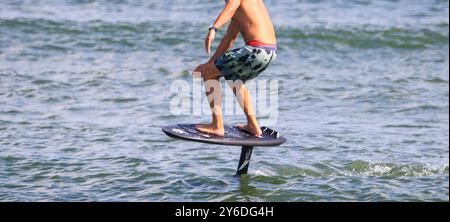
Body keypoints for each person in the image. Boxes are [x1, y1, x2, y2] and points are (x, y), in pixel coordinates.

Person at [193, 0, 277, 137]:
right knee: (233, 77)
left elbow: (231, 6)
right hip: (269, 52)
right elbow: (230, 38)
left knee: (212, 73)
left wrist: (213, 29)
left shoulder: (235, 4)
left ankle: (217, 126)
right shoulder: (244, 7)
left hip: (255, 50)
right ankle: (253, 126)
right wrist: (209, 64)